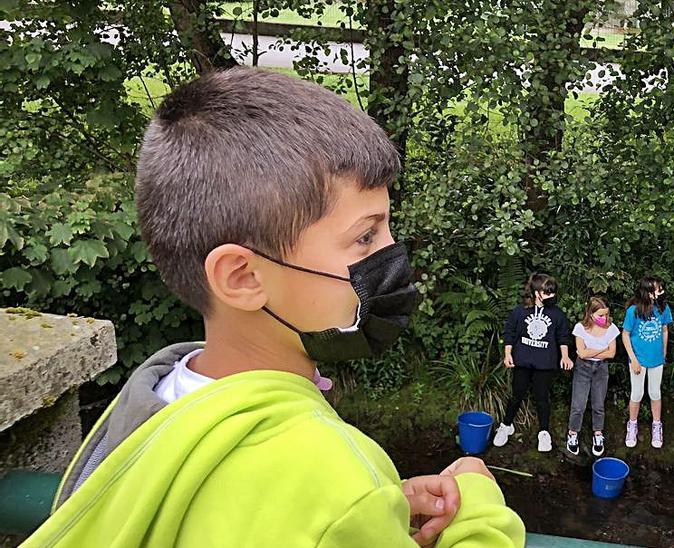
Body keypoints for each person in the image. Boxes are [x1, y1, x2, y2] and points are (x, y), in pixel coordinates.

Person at [22, 68, 524, 547]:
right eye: (365, 236)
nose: (394, 257)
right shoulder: (332, 479)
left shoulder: (150, 400)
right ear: (243, 277)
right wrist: (478, 508)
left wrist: (375, 514)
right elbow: (320, 502)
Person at [494, 273, 573, 453]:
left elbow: (562, 337)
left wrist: (565, 356)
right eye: (547, 293)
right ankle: (506, 425)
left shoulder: (558, 314)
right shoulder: (520, 311)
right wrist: (508, 354)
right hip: (522, 361)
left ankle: (544, 432)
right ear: (536, 292)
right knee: (516, 394)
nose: (551, 296)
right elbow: (509, 333)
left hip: (545, 363)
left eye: (553, 293)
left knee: (542, 397)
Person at [621, 276, 673, 448]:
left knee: (655, 393)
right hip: (637, 360)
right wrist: (633, 359)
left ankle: (657, 425)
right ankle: (632, 424)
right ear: (648, 292)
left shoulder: (663, 308)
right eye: (658, 289)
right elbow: (625, 335)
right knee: (636, 393)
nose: (661, 292)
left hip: (656, 360)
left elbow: (665, 330)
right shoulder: (633, 311)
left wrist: (664, 351)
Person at [567, 296, 619, 457]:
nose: (604, 318)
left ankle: (598, 434)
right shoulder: (580, 328)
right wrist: (601, 349)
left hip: (601, 369)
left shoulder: (611, 328)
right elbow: (581, 353)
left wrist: (591, 351)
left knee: (598, 404)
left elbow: (612, 353)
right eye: (600, 315)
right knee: (578, 405)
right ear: (590, 314)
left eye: (606, 315)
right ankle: (573, 433)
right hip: (583, 369)